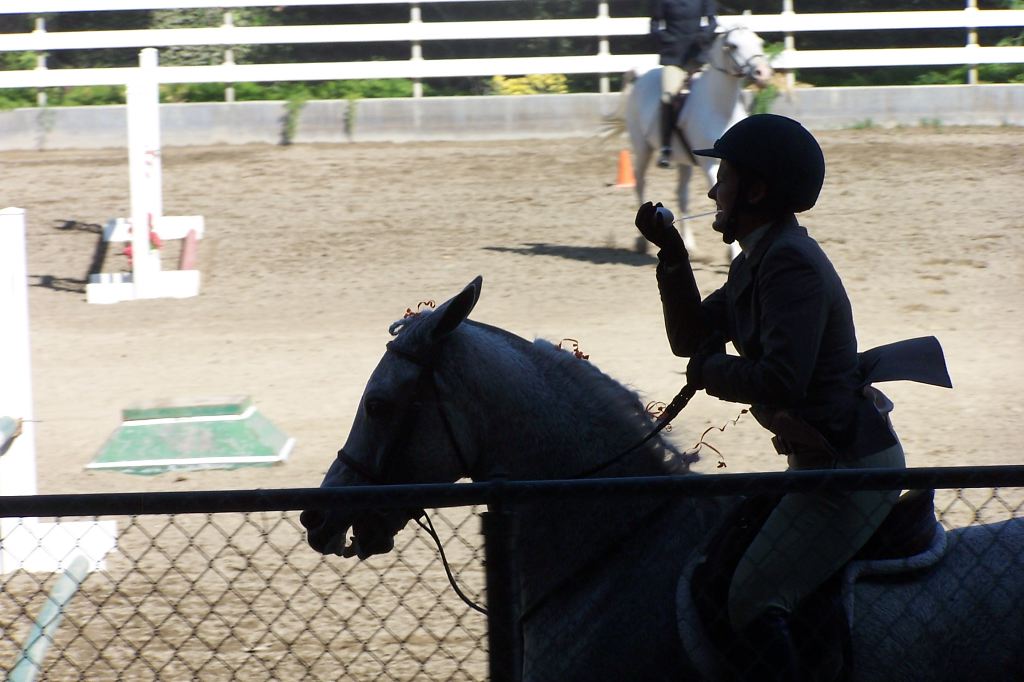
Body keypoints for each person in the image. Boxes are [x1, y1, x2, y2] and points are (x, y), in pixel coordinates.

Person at [635, 114, 909, 680]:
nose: (712, 190)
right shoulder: (756, 260)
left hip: (848, 469)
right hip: (820, 464)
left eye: (723, 177)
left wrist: (710, 371)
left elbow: (781, 379)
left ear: (756, 190)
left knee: (752, 602)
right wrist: (672, 255)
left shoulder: (787, 263)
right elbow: (690, 338)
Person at [650, 0, 718, 169]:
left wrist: (704, 35)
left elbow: (712, 21)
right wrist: (668, 41)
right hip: (674, 59)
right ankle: (666, 148)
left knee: (718, 90)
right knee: (668, 97)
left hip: (698, 57)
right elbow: (654, 24)